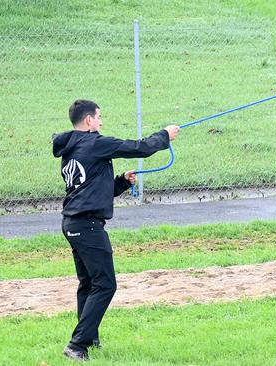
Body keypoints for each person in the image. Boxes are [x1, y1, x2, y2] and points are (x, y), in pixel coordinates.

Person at [52, 99, 180, 361]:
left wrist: (120, 182)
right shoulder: (95, 142)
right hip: (87, 226)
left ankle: (89, 338)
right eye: (99, 117)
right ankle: (77, 346)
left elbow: (91, 191)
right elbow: (140, 148)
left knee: (88, 283)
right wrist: (165, 135)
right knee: (106, 284)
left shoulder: (71, 148)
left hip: (73, 223)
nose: (100, 122)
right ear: (88, 121)